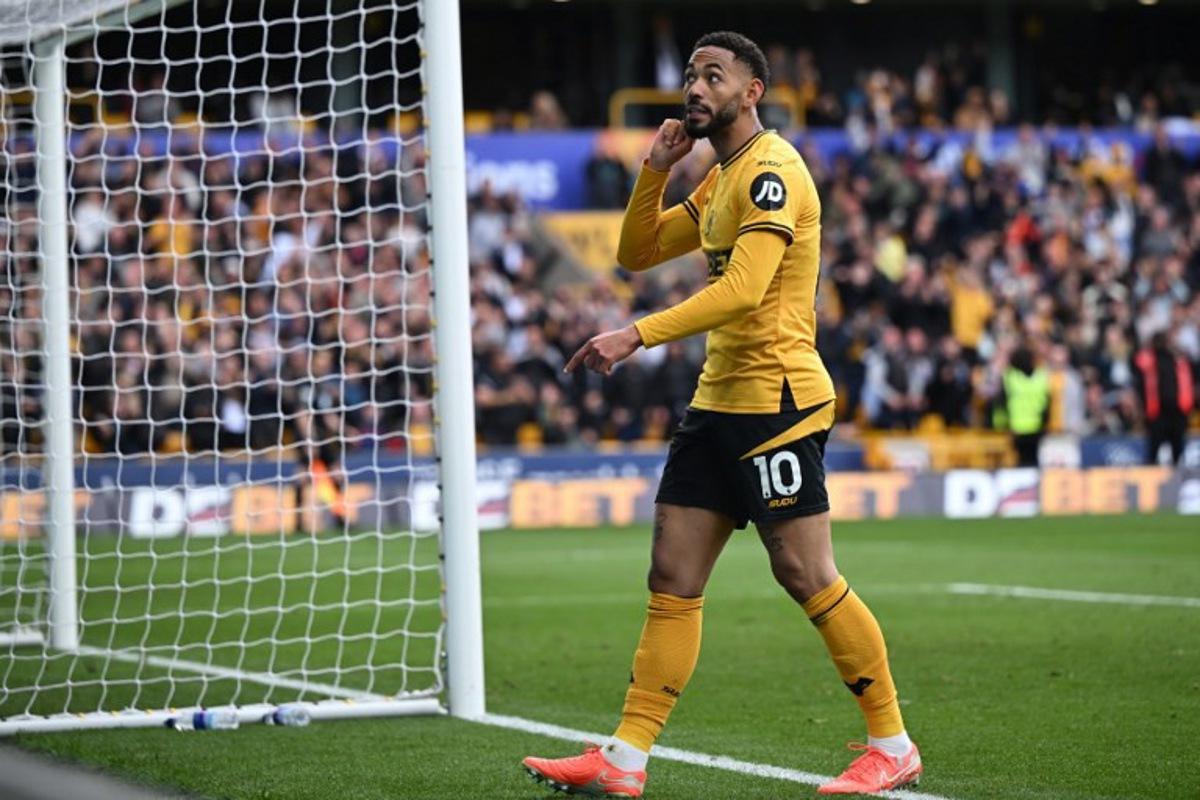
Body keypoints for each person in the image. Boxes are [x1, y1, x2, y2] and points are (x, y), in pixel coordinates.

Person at [522, 31, 921, 797]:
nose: (695, 88)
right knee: (671, 573)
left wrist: (635, 333)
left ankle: (892, 742)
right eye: (690, 75)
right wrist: (655, 171)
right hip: (718, 400)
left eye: (714, 75)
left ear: (752, 91)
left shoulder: (772, 172)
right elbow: (636, 253)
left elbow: (742, 291)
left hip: (776, 399)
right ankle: (625, 759)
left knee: (804, 571)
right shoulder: (717, 177)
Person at [1134, 332, 1194, 465]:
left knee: (1176, 452)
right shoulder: (1148, 361)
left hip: (1176, 413)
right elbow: (1136, 367)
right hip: (1157, 414)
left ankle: (1175, 480)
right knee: (1154, 452)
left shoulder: (1179, 361)